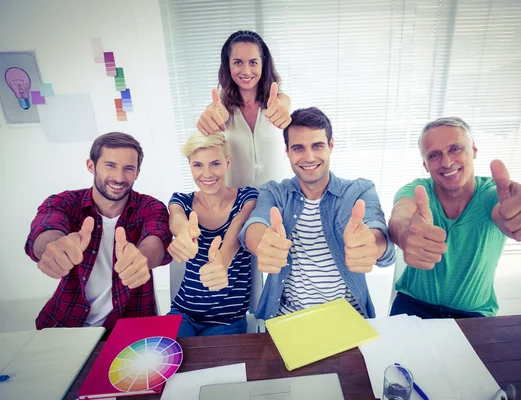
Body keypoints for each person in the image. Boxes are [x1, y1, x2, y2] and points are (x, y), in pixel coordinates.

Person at [388, 117, 521, 318]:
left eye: (455, 149)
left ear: (474, 151)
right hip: (412, 304)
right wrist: (405, 233)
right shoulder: (417, 190)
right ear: (425, 164)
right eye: (434, 155)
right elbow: (400, 216)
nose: (447, 162)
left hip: (473, 312)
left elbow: (502, 213)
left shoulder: (491, 194)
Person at [239, 107, 395, 320]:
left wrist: (371, 245)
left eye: (317, 145)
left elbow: (378, 234)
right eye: (298, 148)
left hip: (348, 316)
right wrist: (262, 244)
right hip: (288, 317)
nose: (309, 157)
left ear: (331, 146)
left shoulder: (360, 191)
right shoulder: (274, 192)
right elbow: (256, 225)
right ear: (287, 152)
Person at [25, 132, 173, 330]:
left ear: (137, 172)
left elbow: (157, 238)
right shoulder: (63, 202)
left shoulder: (150, 207)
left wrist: (142, 258)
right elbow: (46, 228)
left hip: (133, 321)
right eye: (110, 165)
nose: (119, 177)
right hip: (67, 322)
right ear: (91, 165)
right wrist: (53, 247)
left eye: (128, 168)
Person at [167, 132, 258, 336]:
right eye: (198, 165)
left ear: (227, 162)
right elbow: (177, 219)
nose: (207, 174)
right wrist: (183, 235)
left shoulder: (247, 196)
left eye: (215, 164)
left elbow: (238, 226)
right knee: (162, 363)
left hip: (228, 321)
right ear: (190, 166)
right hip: (183, 312)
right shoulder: (181, 200)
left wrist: (223, 260)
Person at [196, 30, 292, 189]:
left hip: (276, 200)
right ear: (228, 66)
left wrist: (282, 109)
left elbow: (283, 104)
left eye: (253, 62)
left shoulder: (278, 103)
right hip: (236, 203)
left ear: (263, 64)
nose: (246, 71)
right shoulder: (221, 108)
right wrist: (212, 116)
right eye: (238, 62)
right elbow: (217, 112)